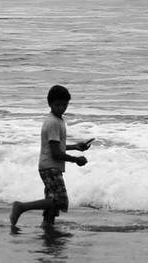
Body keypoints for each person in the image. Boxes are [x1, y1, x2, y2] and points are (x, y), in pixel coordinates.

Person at [10, 85, 92, 232]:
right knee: (59, 201)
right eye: (58, 105)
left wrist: (76, 147)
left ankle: (47, 226)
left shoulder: (57, 120)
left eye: (64, 105)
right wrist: (76, 160)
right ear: (50, 104)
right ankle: (21, 207)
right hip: (50, 167)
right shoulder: (53, 122)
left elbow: (56, 146)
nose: (61, 108)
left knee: (52, 205)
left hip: (49, 166)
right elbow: (55, 153)